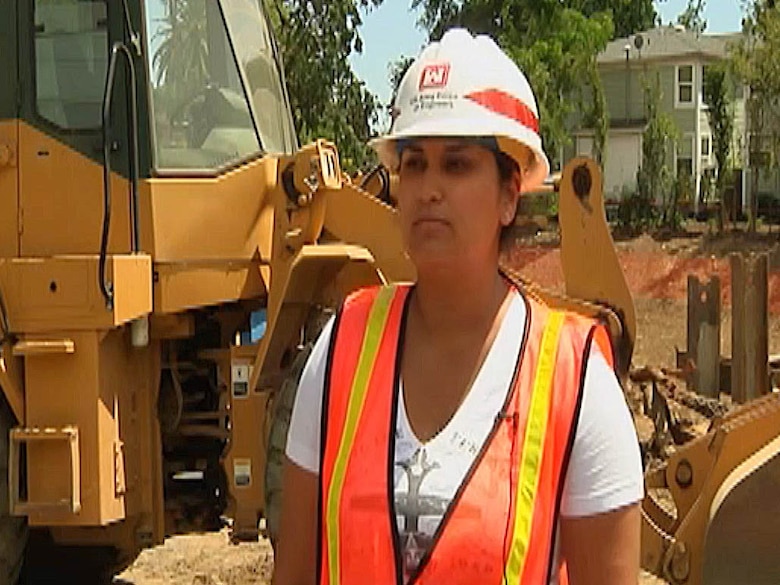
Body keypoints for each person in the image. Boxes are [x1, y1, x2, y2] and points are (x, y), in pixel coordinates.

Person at [272, 27, 643, 585]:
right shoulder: (340, 351)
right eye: (414, 163)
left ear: (509, 193)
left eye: (457, 164)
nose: (428, 188)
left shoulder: (576, 382)